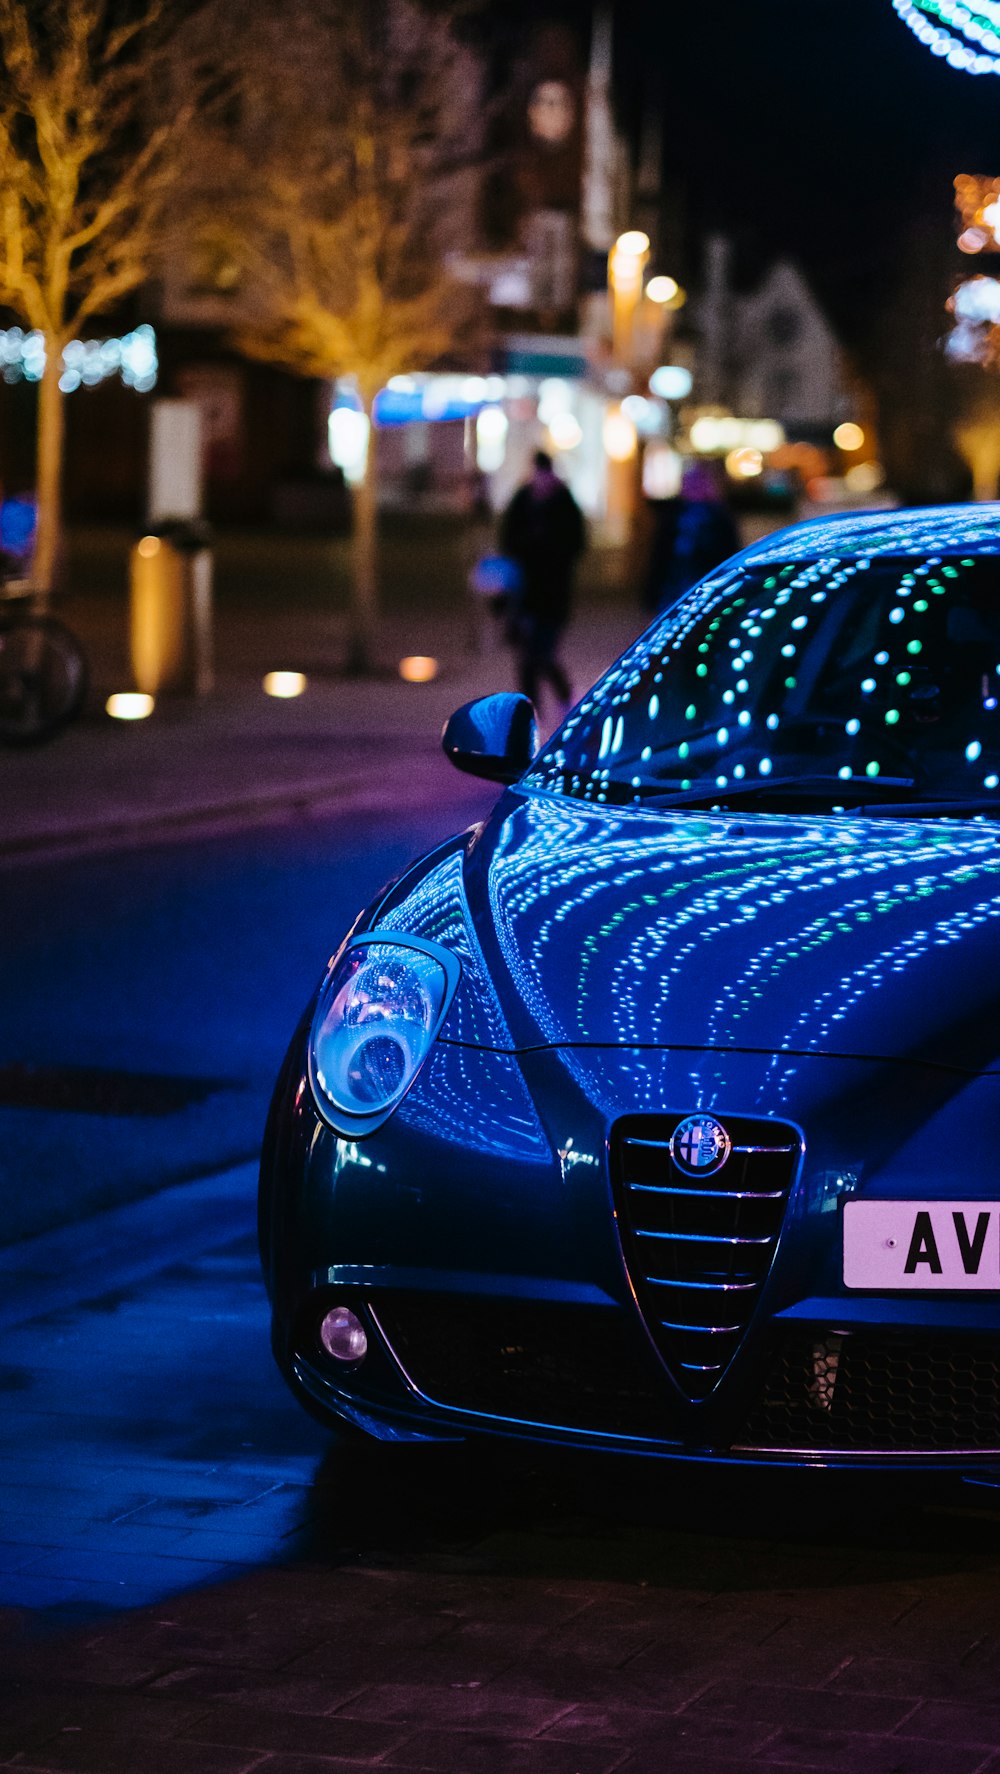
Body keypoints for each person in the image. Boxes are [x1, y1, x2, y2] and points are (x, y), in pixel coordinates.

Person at [498, 450, 585, 712]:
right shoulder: (522, 499)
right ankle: (532, 709)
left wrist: (548, 545)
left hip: (553, 593)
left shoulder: (564, 502)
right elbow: (507, 539)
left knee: (541, 653)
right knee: (526, 657)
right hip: (524, 592)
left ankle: (562, 696)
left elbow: (576, 543)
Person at [643, 459, 741, 614]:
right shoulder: (675, 514)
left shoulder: (717, 517)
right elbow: (660, 556)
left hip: (704, 582)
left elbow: (727, 553)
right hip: (677, 584)